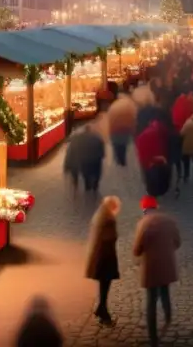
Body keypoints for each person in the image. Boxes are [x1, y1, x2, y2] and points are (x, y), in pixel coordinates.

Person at [133, 195, 182, 347]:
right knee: (165, 290)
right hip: (166, 264)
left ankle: (153, 337)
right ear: (156, 207)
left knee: (151, 300)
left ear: (144, 209)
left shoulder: (143, 224)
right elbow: (177, 242)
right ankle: (168, 316)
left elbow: (137, 249)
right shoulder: (169, 221)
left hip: (151, 267)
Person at [85, 196, 121, 325]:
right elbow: (111, 237)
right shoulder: (108, 219)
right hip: (106, 257)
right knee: (105, 284)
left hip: (100, 255)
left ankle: (101, 308)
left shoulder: (100, 216)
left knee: (104, 285)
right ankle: (102, 310)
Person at [107, 93, 138, 167]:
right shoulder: (130, 106)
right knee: (123, 146)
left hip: (114, 130)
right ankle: (122, 160)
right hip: (125, 130)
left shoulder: (113, 106)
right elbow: (134, 117)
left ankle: (118, 159)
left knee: (116, 145)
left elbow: (109, 118)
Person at [79, 123, 106, 193]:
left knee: (85, 172)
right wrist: (102, 155)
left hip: (85, 159)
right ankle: (95, 185)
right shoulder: (97, 138)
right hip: (96, 159)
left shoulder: (81, 139)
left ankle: (87, 185)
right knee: (97, 172)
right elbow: (101, 147)